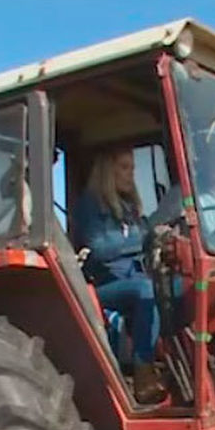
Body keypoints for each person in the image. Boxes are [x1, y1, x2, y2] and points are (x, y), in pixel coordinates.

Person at [72, 148, 167, 404]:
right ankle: (143, 374)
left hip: (135, 278)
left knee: (177, 287)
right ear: (107, 172)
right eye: (125, 168)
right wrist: (142, 236)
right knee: (145, 291)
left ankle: (177, 368)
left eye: (133, 168)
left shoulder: (129, 208)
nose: (131, 175)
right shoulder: (90, 206)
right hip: (104, 287)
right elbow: (100, 248)